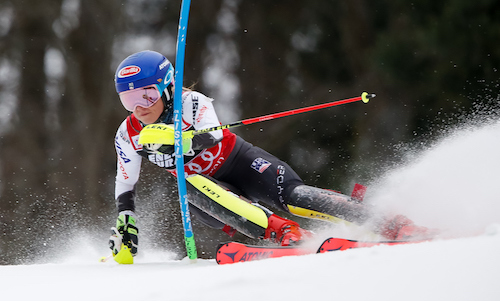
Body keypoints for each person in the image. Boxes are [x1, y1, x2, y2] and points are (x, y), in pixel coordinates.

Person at [109, 50, 430, 258]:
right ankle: (286, 233)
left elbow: (214, 135)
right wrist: (126, 218)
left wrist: (182, 142)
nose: (140, 106)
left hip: (239, 162)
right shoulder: (128, 134)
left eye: (148, 94)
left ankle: (389, 222)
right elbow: (126, 182)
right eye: (129, 99)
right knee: (187, 183)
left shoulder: (192, 103)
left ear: (167, 87)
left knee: (296, 197)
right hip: (208, 196)